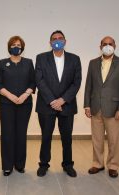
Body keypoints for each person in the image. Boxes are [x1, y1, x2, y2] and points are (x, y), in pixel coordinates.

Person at [35, 30, 81, 177]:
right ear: (50, 43)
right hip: (46, 105)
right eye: (54, 39)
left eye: (60, 38)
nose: (57, 40)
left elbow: (76, 82)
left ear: (65, 41)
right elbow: (39, 81)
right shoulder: (41, 58)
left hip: (67, 105)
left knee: (67, 137)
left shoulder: (75, 59)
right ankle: (43, 164)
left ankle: (68, 164)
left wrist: (62, 100)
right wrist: (52, 100)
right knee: (46, 136)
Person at [0, 36, 35, 176]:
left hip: (25, 104)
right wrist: (10, 96)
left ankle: (19, 164)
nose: (16, 47)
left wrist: (25, 95)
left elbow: (33, 82)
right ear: (9, 47)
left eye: (18, 45)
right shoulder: (2, 63)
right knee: (7, 134)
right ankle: (7, 166)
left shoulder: (29, 63)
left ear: (22, 47)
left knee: (21, 134)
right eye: (13, 44)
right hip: (6, 104)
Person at [84, 36, 119, 178]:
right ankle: (98, 163)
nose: (107, 46)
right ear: (100, 47)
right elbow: (88, 85)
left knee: (114, 140)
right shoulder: (93, 63)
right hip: (95, 107)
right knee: (97, 139)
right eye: (105, 44)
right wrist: (87, 105)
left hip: (113, 109)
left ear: (115, 46)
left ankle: (113, 165)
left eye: (110, 44)